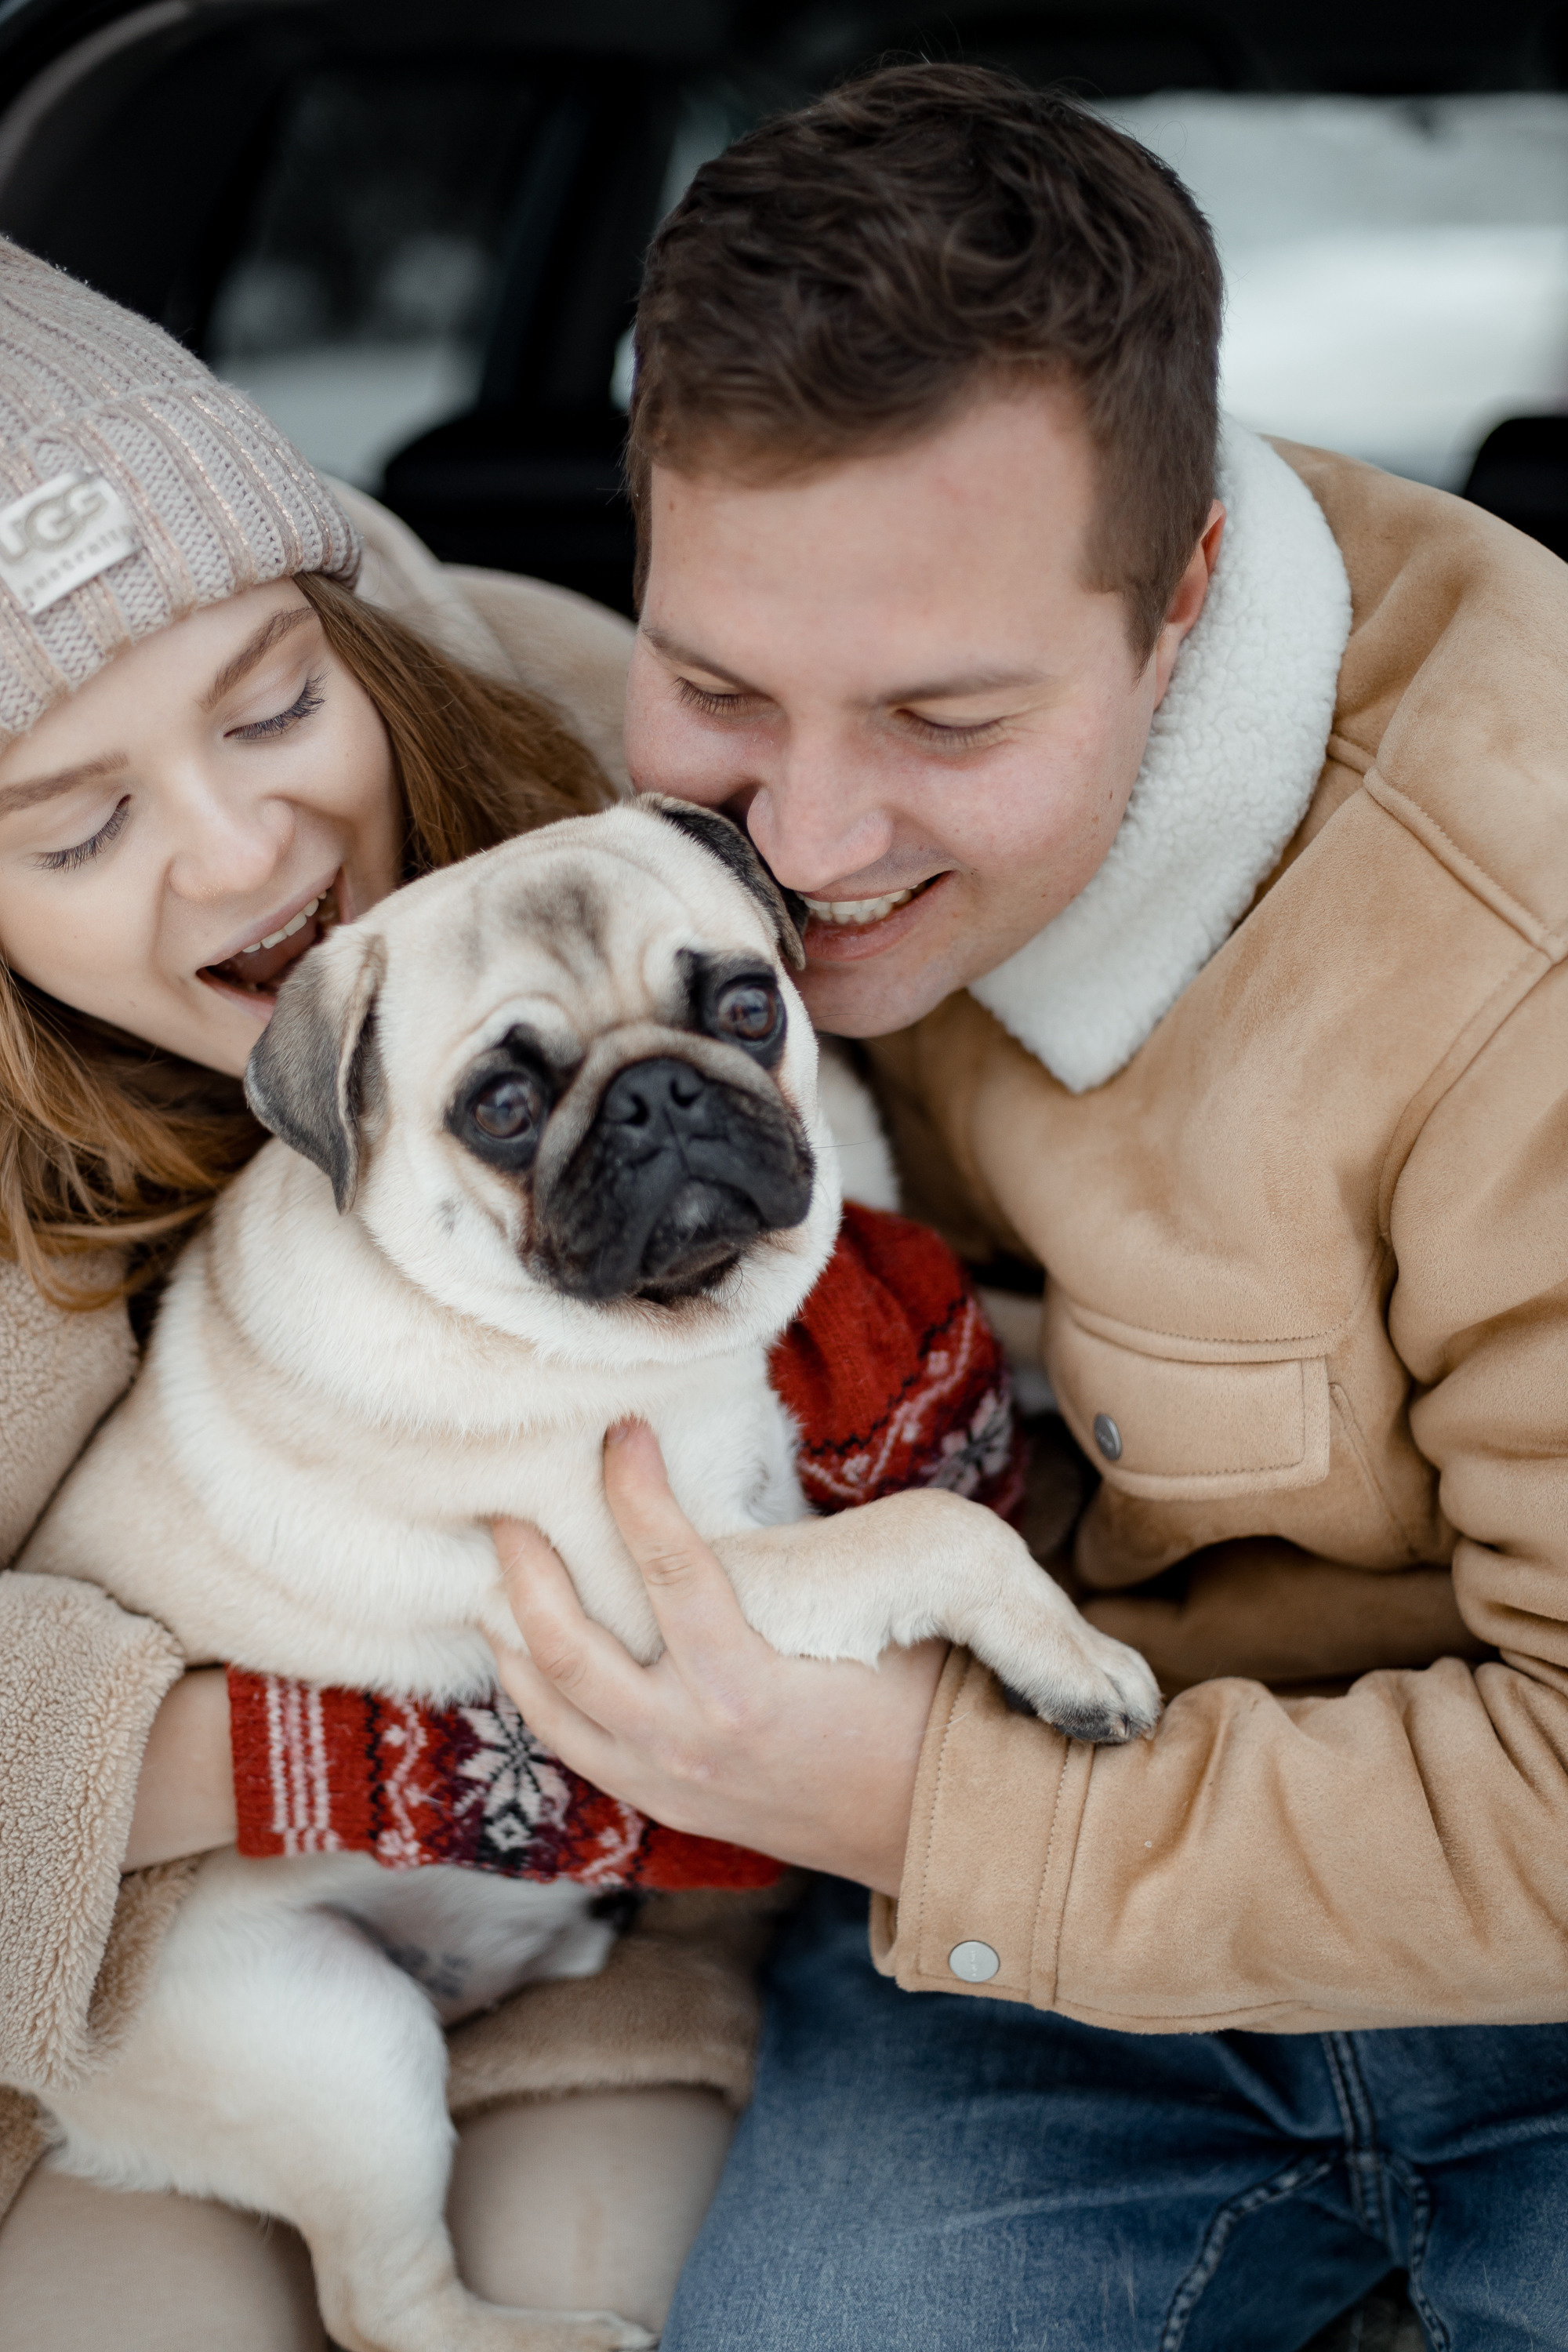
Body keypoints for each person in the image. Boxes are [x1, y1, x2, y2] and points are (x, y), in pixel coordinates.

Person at [485, 63, 1568, 2352]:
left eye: (949, 722)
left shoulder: (1523, 929)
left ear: (1180, 603)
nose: (804, 832)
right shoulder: (603, 861)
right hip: (1000, 1950)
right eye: (715, 684)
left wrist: (932, 1805)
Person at [0, 237, 1003, 2350]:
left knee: (607, 2293)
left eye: (275, 700)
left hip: (637, 1910)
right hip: (125, 1946)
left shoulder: (625, 762)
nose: (238, 845)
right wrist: (278, 1751)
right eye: (77, 825)